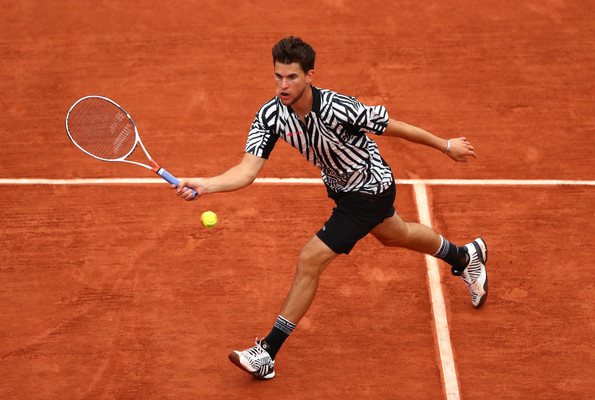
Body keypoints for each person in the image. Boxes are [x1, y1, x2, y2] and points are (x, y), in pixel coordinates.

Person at [173, 36, 488, 380]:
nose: (283, 84)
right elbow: (247, 171)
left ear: (309, 76)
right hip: (342, 190)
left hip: (370, 187)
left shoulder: (340, 107)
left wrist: (445, 146)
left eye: (291, 77)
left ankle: (267, 353)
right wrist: (204, 184)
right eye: (278, 76)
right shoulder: (271, 116)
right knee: (394, 234)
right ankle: (464, 257)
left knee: (310, 258)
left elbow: (392, 127)